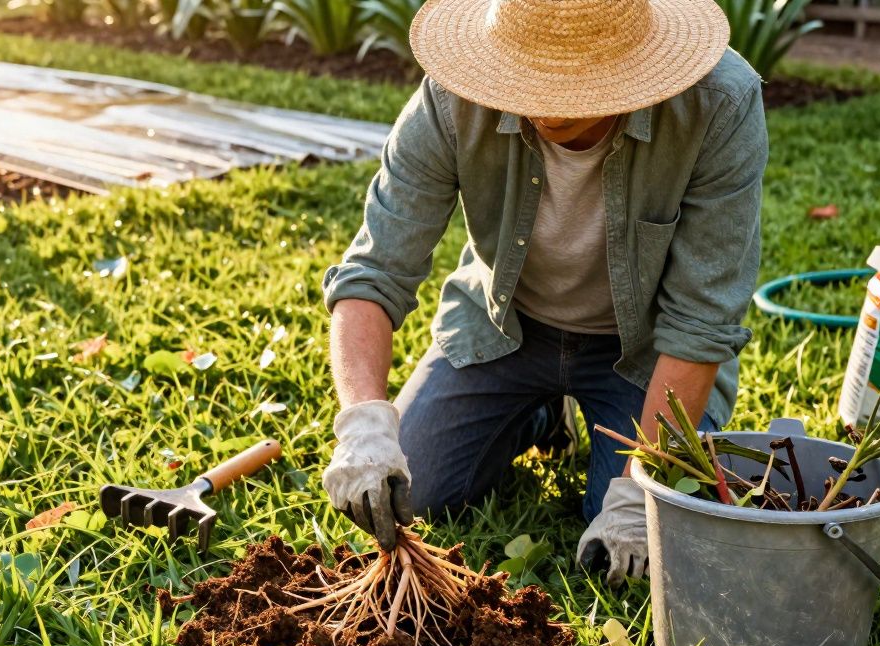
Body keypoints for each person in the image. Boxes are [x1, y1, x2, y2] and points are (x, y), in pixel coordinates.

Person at [320, 0, 768, 587]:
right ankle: (535, 416)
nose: (539, 105)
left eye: (568, 85)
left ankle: (601, 442)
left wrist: (638, 492)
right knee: (418, 490)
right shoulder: (454, 96)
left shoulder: (719, 105)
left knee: (638, 544)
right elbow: (374, 271)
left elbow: (701, 323)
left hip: (644, 355)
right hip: (504, 329)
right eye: (529, 78)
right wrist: (363, 424)